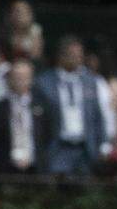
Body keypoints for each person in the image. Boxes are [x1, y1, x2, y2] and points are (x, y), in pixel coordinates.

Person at [33, 35, 108, 176]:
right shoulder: (44, 83)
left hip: (85, 148)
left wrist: (103, 143)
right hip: (58, 147)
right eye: (73, 55)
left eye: (80, 55)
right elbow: (39, 123)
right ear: (61, 57)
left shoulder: (90, 81)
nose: (79, 59)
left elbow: (97, 114)